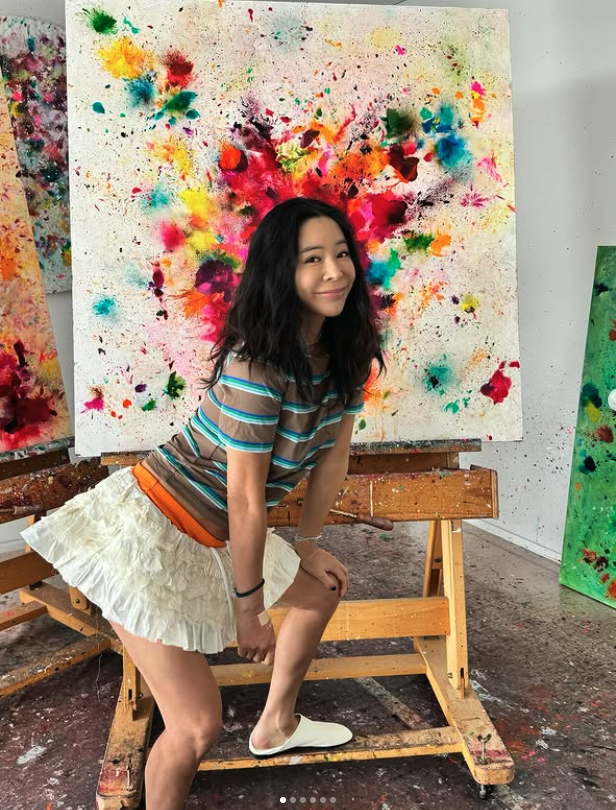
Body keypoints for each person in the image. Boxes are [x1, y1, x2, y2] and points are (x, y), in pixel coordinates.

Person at [22, 196, 384, 810]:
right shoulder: (256, 367)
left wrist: (308, 545)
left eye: (341, 253)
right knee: (195, 728)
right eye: (311, 259)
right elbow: (244, 497)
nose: (334, 271)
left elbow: (332, 459)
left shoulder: (344, 355)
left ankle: (278, 726)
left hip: (216, 533)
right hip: (153, 532)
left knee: (321, 589)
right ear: (280, 272)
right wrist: (250, 609)